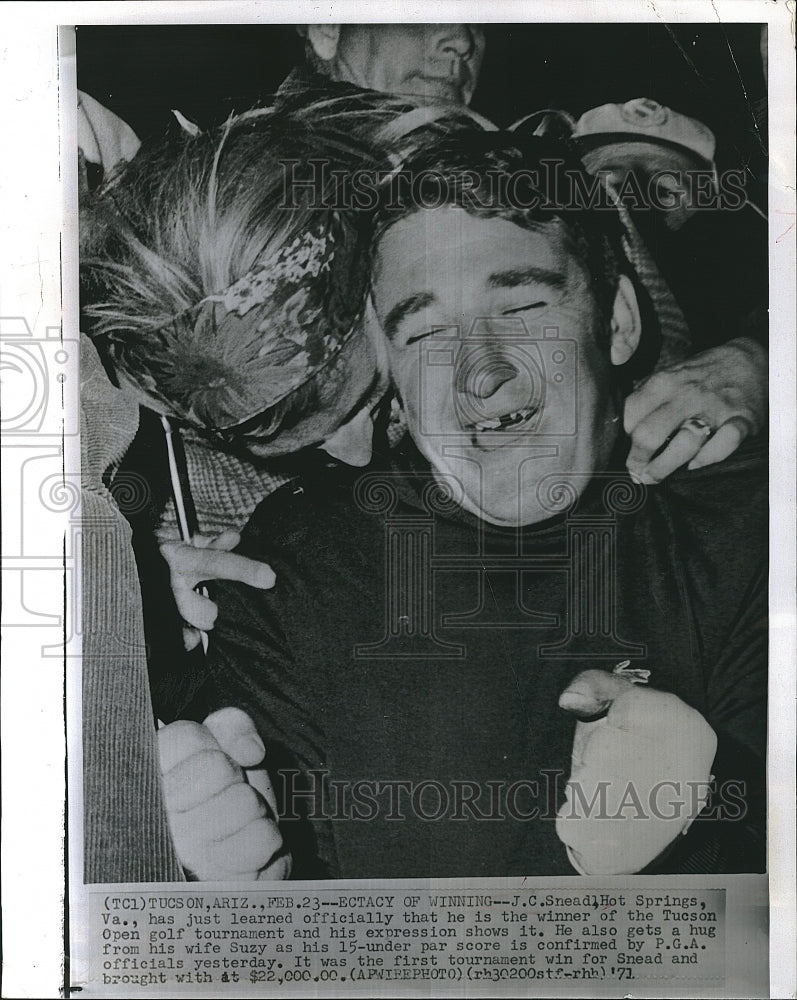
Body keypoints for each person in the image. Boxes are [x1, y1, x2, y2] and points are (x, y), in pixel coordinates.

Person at [158, 127, 766, 881]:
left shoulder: (745, 526)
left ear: (616, 323)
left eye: (519, 310)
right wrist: (231, 895)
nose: (479, 372)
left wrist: (698, 837)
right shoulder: (292, 566)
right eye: (425, 333)